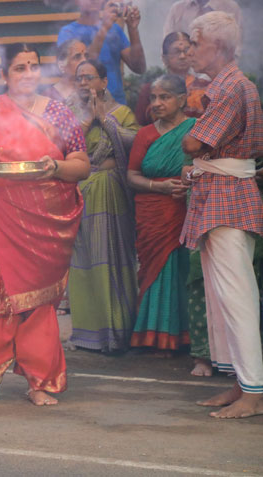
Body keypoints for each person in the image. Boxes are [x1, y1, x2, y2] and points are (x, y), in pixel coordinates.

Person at [0, 43, 89, 406]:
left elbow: (81, 165)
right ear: (3, 75)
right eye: (19, 68)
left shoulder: (58, 112)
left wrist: (55, 167)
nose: (28, 74)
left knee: (40, 302)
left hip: (47, 220)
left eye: (33, 66)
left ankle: (40, 381)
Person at [179, 12, 263, 419]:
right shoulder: (228, 85)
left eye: (195, 43)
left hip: (228, 196)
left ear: (220, 47)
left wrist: (191, 134)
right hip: (220, 191)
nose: (189, 51)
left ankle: (254, 391)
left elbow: (193, 143)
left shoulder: (231, 87)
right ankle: (243, 384)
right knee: (223, 297)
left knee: (236, 296)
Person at [66, 59, 139, 352]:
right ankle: (86, 334)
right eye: (80, 78)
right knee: (81, 262)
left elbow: (137, 143)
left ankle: (116, 333)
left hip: (109, 192)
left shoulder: (122, 113)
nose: (84, 83)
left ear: (104, 82)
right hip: (78, 192)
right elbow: (60, 145)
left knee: (111, 258)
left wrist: (105, 120)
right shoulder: (69, 114)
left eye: (90, 77)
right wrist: (88, 121)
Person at [126, 75, 194, 355]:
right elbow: (131, 176)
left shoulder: (195, 130)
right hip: (152, 211)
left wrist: (188, 185)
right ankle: (151, 335)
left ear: (182, 99)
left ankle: (184, 336)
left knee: (181, 269)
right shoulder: (145, 134)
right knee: (153, 269)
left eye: (164, 97)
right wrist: (160, 187)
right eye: (153, 97)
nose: (156, 103)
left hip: (184, 210)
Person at [57, 0, 146, 104]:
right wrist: (104, 28)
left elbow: (139, 68)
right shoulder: (68, 32)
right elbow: (81, 70)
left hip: (116, 106)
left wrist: (132, 29)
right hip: (84, 107)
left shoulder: (115, 29)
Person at [135, 32, 209, 126]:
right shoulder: (149, 90)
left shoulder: (206, 87)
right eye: (176, 51)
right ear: (164, 58)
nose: (182, 56)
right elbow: (141, 125)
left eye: (186, 50)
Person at [163, 0, 242, 56]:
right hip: (184, 69)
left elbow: (234, 49)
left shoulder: (229, 7)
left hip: (216, 70)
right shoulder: (177, 9)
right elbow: (168, 48)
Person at [43, 39, 88, 103]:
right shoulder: (49, 97)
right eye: (77, 57)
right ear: (61, 65)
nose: (84, 60)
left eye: (86, 56)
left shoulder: (93, 90)